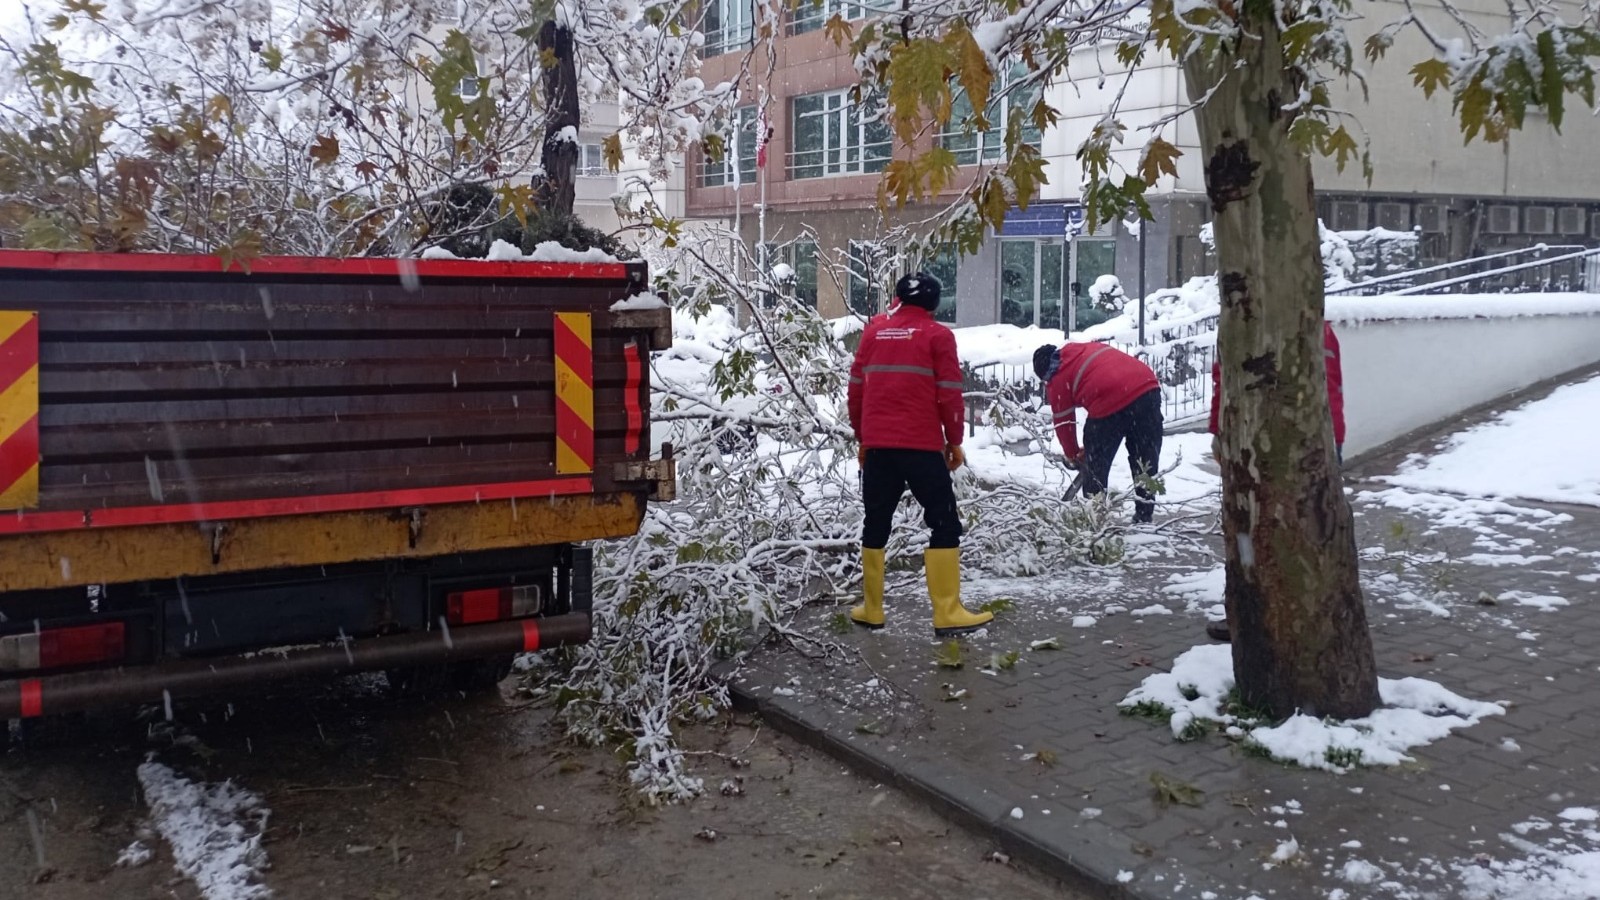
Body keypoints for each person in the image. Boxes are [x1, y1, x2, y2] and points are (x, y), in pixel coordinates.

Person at [847, 272, 992, 637]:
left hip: (879, 448)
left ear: (897, 298)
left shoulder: (874, 331)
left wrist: (863, 438)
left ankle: (873, 609)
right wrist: (954, 439)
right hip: (921, 447)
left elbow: (856, 392)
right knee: (943, 523)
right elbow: (949, 393)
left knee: (876, 522)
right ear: (933, 303)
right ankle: (947, 612)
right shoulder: (937, 336)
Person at [1204, 320, 1346, 641]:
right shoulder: (1315, 325)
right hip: (1320, 437)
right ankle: (1310, 614)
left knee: (1255, 531)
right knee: (1312, 528)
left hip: (1269, 443)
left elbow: (1223, 382)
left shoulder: (1244, 329)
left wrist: (1218, 432)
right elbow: (1331, 384)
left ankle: (1258, 614)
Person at [1032, 341, 1164, 524]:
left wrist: (1074, 454)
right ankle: (1144, 514)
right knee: (1145, 459)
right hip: (1147, 388)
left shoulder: (1057, 377)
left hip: (1109, 398)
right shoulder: (1085, 349)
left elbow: (1064, 422)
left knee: (1096, 467)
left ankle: (1095, 518)